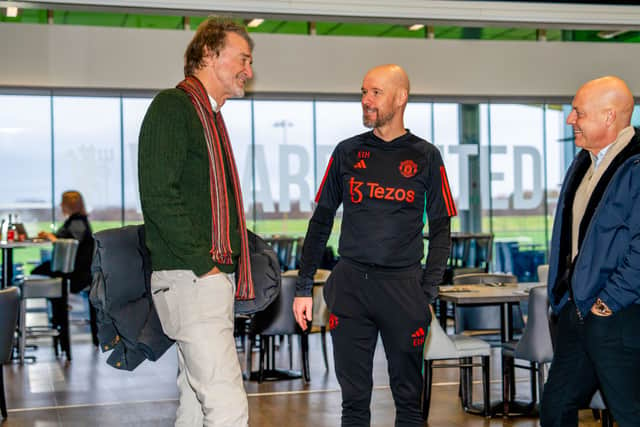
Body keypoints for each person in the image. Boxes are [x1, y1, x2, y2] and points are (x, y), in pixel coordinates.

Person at [293, 64, 455, 426]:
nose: (366, 100)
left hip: (403, 290)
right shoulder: (346, 152)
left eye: (375, 93)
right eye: (364, 92)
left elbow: (442, 230)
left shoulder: (427, 156)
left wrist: (426, 292)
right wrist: (304, 287)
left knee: (409, 402)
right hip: (350, 287)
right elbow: (320, 221)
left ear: (400, 98)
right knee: (352, 403)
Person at [138, 17, 255, 427]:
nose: (249, 70)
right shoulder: (174, 107)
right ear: (209, 54)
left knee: (194, 403)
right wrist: (203, 265)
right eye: (242, 58)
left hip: (204, 278)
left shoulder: (210, 117)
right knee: (227, 406)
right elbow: (158, 195)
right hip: (193, 277)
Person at [541, 76, 640, 426]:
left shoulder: (636, 164)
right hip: (577, 311)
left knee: (630, 414)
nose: (571, 120)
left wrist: (609, 302)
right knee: (555, 409)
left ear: (609, 116)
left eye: (578, 112)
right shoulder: (584, 161)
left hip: (619, 314)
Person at [32, 190, 96, 349]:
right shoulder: (77, 221)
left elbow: (69, 245)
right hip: (75, 270)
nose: (60, 205)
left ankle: (59, 306)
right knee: (41, 271)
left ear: (68, 205)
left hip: (75, 273)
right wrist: (51, 236)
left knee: (38, 272)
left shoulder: (77, 223)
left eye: (62, 203)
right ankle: (59, 306)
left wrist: (53, 238)